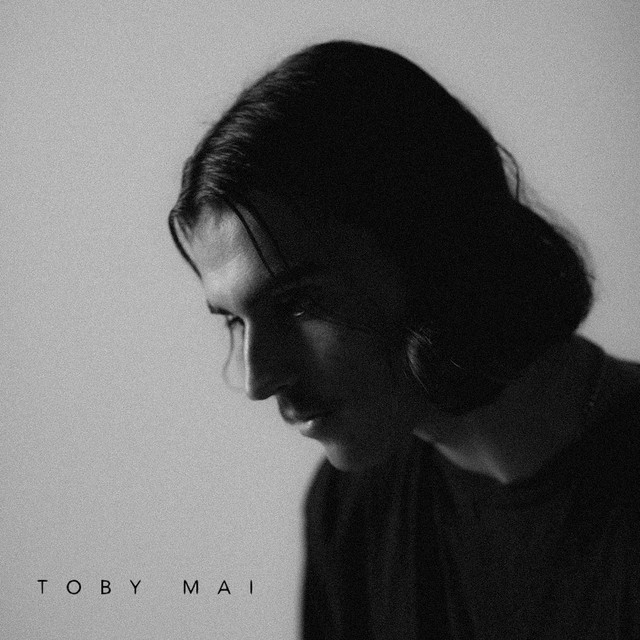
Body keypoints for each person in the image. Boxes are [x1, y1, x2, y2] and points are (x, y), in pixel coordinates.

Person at [168, 41, 640, 639]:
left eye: (298, 303)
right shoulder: (352, 509)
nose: (257, 380)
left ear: (434, 251)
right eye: (234, 320)